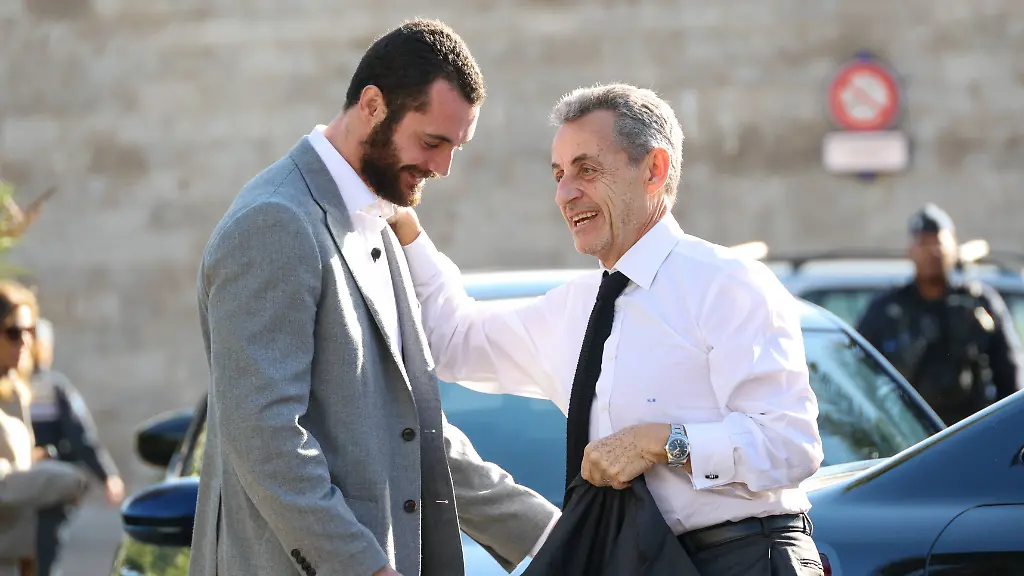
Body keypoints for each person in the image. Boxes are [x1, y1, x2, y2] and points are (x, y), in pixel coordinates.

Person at [388, 83, 825, 575]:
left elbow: (791, 446)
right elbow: (453, 341)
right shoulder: (575, 308)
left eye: (587, 170)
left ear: (654, 170)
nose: (564, 194)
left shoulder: (726, 284)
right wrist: (404, 226)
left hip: (745, 559)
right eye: (558, 175)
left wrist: (659, 441)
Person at [189, 19, 559, 576]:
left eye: (454, 147)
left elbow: (413, 434)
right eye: (432, 142)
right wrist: (364, 568)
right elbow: (265, 439)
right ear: (372, 105)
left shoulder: (379, 223)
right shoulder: (274, 223)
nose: (442, 167)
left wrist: (557, 535)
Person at [857, 204, 1023, 425]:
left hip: (970, 430)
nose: (932, 251)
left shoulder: (979, 302)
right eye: (924, 243)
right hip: (907, 434)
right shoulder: (888, 308)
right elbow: (858, 373)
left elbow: (1010, 374)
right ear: (910, 251)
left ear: (954, 247)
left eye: (939, 242)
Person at [0, 281, 89, 576]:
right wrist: (57, 479)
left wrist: (36, 461)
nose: (25, 342)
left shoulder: (15, 392)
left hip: (22, 558)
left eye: (30, 331)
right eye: (14, 332)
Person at [26, 317, 124, 576]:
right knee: (44, 563)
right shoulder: (53, 387)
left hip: (16, 496)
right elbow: (81, 437)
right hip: (46, 495)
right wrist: (108, 476)